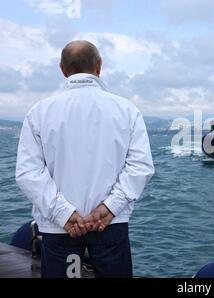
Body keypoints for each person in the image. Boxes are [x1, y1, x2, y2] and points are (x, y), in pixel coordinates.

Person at [15, 40, 155, 278]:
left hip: (59, 227)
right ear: (99, 66)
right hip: (110, 224)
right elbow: (140, 167)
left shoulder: (39, 112)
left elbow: (28, 173)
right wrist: (109, 208)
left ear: (62, 69)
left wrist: (65, 214)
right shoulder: (127, 110)